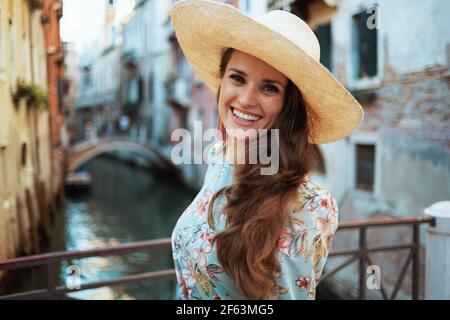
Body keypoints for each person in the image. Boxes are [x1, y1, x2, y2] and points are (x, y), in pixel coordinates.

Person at [170, 0, 363, 300]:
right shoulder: (220, 158)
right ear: (222, 82)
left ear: (289, 105)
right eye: (237, 78)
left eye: (269, 87)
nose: (246, 99)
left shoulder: (312, 206)